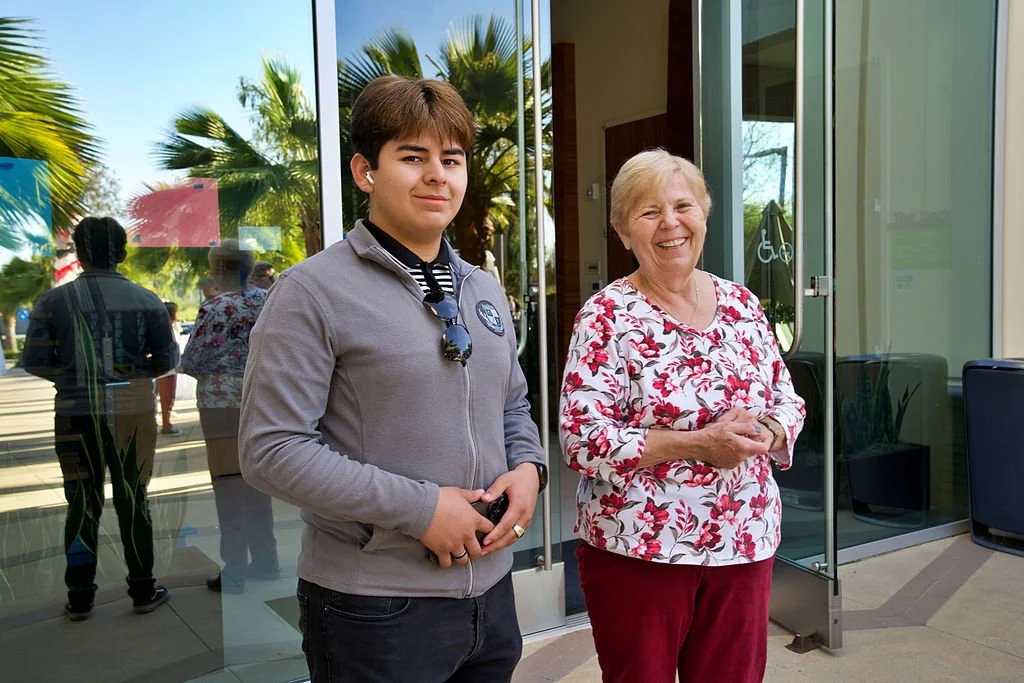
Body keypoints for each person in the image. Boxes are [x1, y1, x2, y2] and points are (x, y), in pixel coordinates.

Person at [238, 75, 547, 682]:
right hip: (373, 606)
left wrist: (530, 470)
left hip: (491, 595)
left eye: (451, 159)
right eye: (413, 157)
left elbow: (512, 405)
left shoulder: (483, 289)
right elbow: (270, 451)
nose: (437, 175)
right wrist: (421, 507)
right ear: (364, 172)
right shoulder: (311, 292)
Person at [558, 150, 806, 683]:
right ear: (623, 232)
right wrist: (700, 444)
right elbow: (582, 438)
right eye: (648, 212)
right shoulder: (607, 316)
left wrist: (765, 430)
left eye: (682, 205)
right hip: (640, 549)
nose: (670, 223)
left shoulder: (742, 304)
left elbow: (788, 399)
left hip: (744, 539)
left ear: (704, 215)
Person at [22, 216, 176, 621]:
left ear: (80, 253)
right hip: (132, 413)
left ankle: (79, 595)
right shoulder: (147, 300)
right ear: (123, 253)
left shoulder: (53, 302)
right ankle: (143, 588)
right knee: (134, 498)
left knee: (81, 504)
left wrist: (76, 377)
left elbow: (35, 360)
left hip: (73, 413)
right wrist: (127, 376)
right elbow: (167, 360)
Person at [181, 239, 278, 594]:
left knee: (228, 485)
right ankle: (267, 560)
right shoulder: (267, 301)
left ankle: (234, 569)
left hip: (220, 407)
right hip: (263, 402)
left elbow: (192, 360)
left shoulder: (215, 307)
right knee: (258, 482)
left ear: (220, 269)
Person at [156, 301, 182, 435]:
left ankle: (167, 422)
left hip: (170, 368)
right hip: (167, 370)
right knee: (166, 398)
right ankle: (166, 425)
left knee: (169, 398)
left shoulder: (171, 327)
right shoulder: (165, 328)